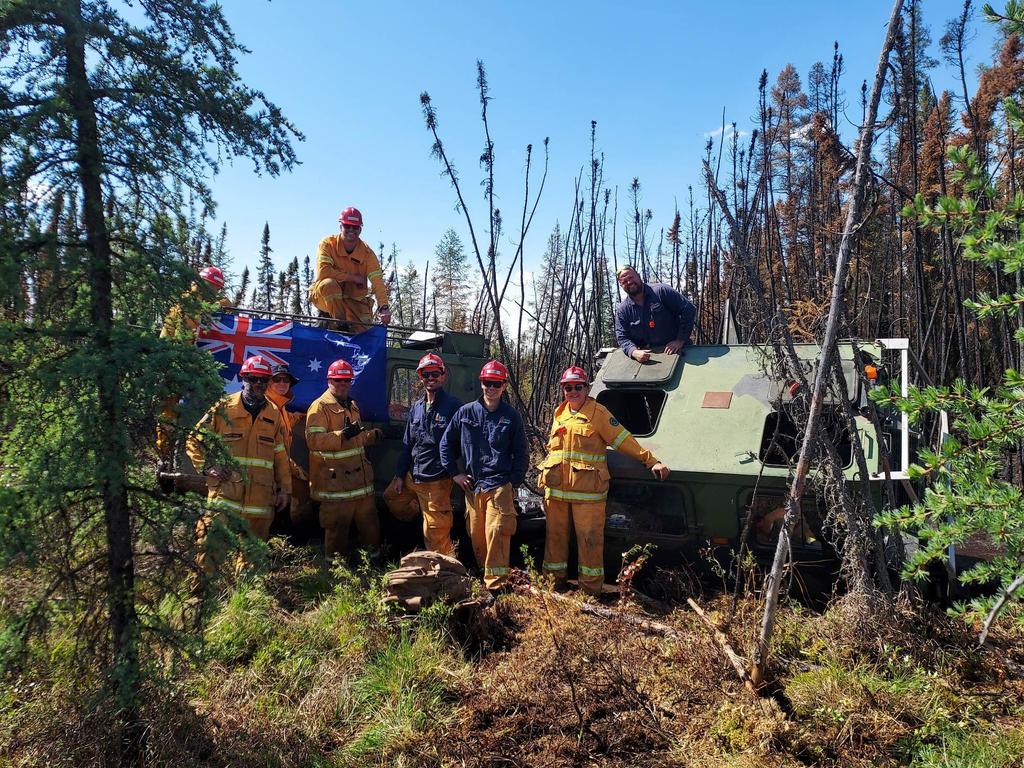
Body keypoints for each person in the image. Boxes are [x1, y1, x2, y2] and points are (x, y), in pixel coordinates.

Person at [538, 365, 670, 597]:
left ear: (586, 388)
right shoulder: (560, 413)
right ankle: (553, 585)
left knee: (590, 541)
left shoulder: (598, 414)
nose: (573, 391)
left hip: (588, 494)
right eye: (568, 387)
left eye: (578, 387)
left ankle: (590, 592)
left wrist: (651, 461)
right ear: (563, 390)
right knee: (555, 539)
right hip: (557, 493)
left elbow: (623, 440)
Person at [185, 354, 291, 570]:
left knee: (252, 558)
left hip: (260, 501)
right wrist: (207, 467)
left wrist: (284, 489)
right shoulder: (224, 407)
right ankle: (201, 598)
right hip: (225, 496)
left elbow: (280, 455)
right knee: (210, 548)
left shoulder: (273, 413)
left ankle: (244, 601)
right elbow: (194, 439)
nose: (258, 384)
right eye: (253, 379)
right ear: (243, 378)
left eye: (263, 379)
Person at [439, 360, 529, 591]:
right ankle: (484, 574)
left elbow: (522, 453)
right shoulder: (465, 413)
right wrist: (455, 474)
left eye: (496, 384)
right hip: (472, 486)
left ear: (504, 386)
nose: (491, 388)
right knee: (477, 536)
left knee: (497, 531)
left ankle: (496, 587)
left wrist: (512, 482)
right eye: (488, 383)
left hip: (499, 484)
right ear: (481, 383)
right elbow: (445, 446)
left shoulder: (511, 417)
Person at [385, 353, 463, 555]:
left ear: (443, 376)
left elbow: (464, 444)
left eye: (435, 374)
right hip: (413, 475)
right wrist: (401, 474)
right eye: (426, 374)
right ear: (420, 378)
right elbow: (407, 443)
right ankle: (423, 514)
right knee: (391, 497)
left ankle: (447, 569)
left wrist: (455, 472)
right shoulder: (417, 408)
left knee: (435, 532)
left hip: (436, 480)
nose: (430, 378)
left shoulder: (454, 407)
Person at [305, 358, 384, 557]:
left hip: (360, 484)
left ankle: (373, 563)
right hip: (336, 486)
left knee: (370, 524)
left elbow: (355, 438)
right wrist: (342, 435)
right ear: (328, 381)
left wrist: (373, 436)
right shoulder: (319, 407)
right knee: (337, 530)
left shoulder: (352, 405)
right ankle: (334, 573)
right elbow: (314, 441)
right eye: (337, 380)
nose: (342, 384)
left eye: (346, 380)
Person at [157, 265, 232, 464]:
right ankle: (165, 456)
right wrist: (221, 305)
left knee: (186, 413)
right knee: (169, 414)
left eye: (215, 288)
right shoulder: (188, 303)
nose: (212, 291)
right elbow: (197, 319)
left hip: (188, 366)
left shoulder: (196, 302)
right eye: (209, 287)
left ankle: (178, 454)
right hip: (175, 365)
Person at [307, 207, 391, 331]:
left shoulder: (367, 254)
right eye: (347, 226)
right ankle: (341, 326)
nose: (351, 230)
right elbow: (324, 272)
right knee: (329, 284)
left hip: (353, 300)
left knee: (364, 334)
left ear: (360, 229)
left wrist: (384, 307)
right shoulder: (327, 244)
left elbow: (378, 282)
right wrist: (353, 278)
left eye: (355, 227)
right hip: (326, 297)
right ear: (340, 226)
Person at [614, 265, 696, 363]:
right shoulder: (623, 310)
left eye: (631, 277)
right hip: (650, 360)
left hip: (680, 353)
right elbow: (622, 337)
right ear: (621, 285)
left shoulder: (661, 291)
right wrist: (633, 351)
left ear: (638, 276)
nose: (629, 282)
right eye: (624, 281)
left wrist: (680, 340)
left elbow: (688, 309)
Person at [266, 363, 311, 526]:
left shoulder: (280, 407)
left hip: (280, 465)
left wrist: (306, 415)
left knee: (302, 490)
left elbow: (285, 423)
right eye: (277, 380)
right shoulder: (266, 406)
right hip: (268, 471)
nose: (282, 384)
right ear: (269, 383)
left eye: (286, 381)